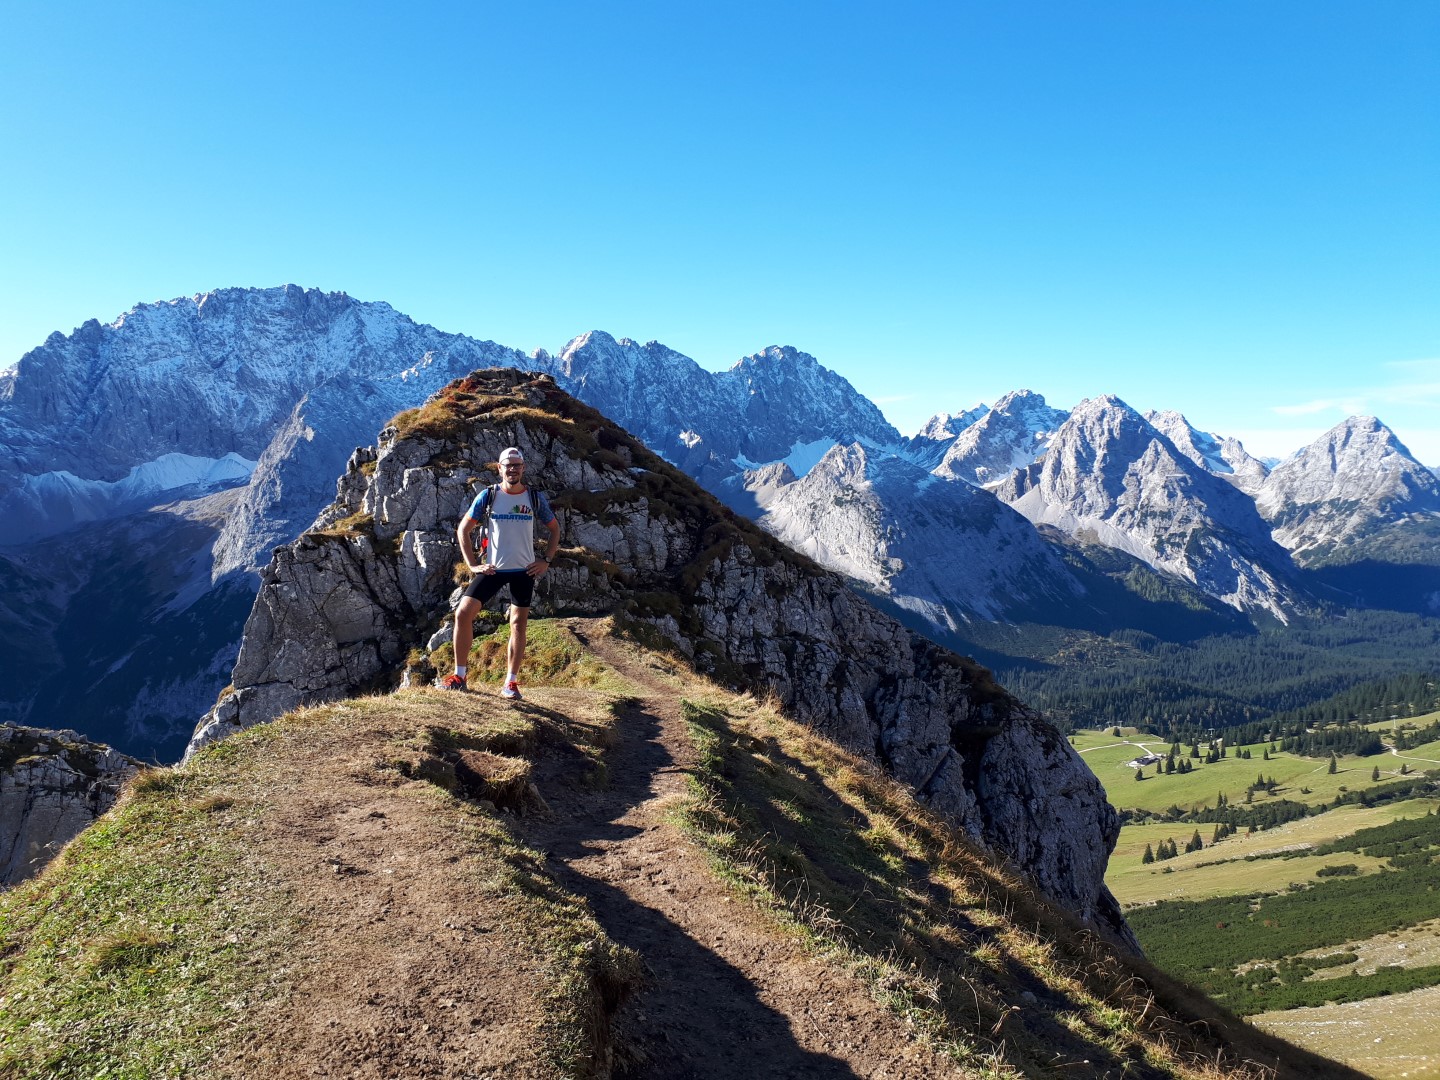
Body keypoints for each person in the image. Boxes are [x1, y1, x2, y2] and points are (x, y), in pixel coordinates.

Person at [443, 447, 560, 699]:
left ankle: (511, 683)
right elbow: (464, 530)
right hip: (493, 569)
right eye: (508, 465)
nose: (512, 469)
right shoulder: (489, 495)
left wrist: (546, 561)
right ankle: (459, 676)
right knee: (463, 613)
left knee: (518, 625)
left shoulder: (534, 498)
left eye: (517, 465)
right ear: (499, 468)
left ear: (523, 468)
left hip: (524, 571)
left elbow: (555, 530)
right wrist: (473, 565)